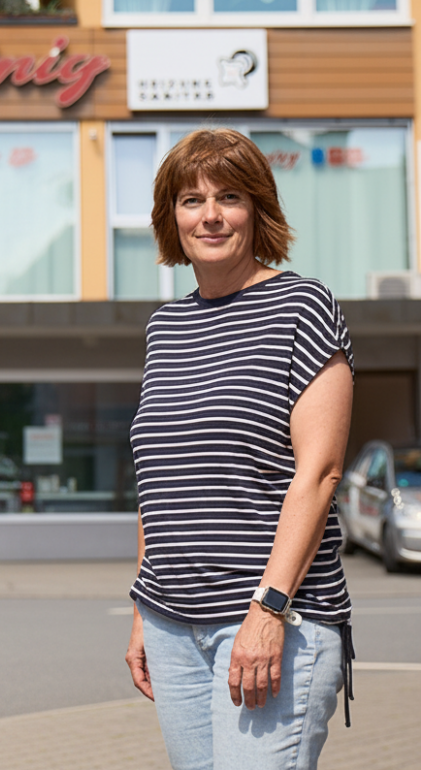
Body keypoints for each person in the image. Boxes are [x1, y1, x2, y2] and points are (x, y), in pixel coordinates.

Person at [124, 128, 355, 770]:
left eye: (230, 196)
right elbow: (159, 481)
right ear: (172, 218)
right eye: (191, 200)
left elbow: (321, 472)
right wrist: (144, 608)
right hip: (172, 624)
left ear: (258, 209)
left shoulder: (302, 306)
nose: (211, 215)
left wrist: (269, 611)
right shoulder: (165, 326)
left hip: (273, 620)